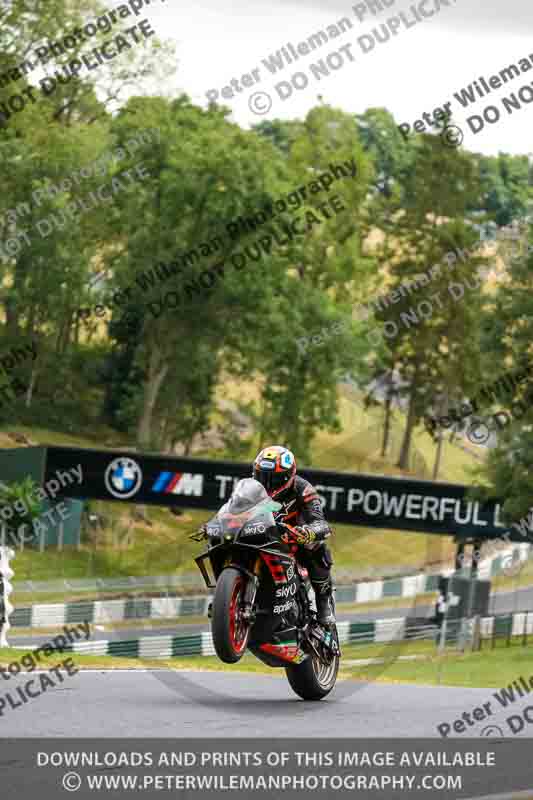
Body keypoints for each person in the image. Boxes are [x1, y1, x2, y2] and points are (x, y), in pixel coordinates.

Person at [252, 445, 336, 626]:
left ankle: (323, 601)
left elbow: (322, 523)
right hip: (262, 540)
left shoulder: (303, 489)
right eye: (262, 477)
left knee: (316, 546)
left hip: (294, 543)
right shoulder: (250, 489)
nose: (267, 484)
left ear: (288, 477)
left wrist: (308, 532)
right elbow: (233, 510)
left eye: (273, 479)